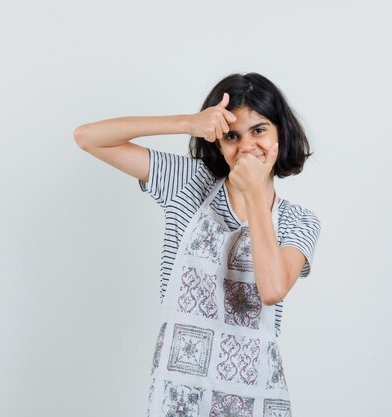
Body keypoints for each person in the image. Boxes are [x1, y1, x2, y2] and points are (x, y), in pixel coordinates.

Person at [74, 72, 321, 417]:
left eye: (259, 130)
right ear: (217, 141)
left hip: (256, 397)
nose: (247, 145)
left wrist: (253, 194)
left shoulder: (299, 221)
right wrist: (188, 123)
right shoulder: (187, 182)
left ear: (282, 133)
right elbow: (88, 138)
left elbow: (273, 289)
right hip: (180, 397)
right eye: (232, 135)